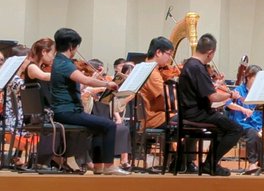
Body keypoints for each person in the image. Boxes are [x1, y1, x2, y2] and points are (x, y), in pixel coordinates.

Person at [50, 28, 128, 175]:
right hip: (67, 112)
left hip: (65, 111)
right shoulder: (65, 64)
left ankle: (98, 166)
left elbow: (80, 83)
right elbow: (85, 80)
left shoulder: (58, 61)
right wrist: (107, 84)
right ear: (71, 46)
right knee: (110, 125)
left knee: (99, 126)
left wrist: (95, 79)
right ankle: (109, 166)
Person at [178, 33, 242, 176]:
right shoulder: (198, 68)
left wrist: (217, 84)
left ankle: (210, 164)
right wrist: (231, 95)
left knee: (222, 128)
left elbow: (204, 91)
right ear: (210, 52)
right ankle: (210, 164)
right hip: (196, 114)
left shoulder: (190, 64)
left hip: (190, 111)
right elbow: (213, 97)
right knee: (236, 129)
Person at [226, 64, 264, 172]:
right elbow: (228, 104)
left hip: (257, 123)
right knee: (252, 133)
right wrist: (242, 109)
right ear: (248, 77)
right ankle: (252, 163)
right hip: (241, 123)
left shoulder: (260, 92)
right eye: (255, 79)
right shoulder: (238, 90)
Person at [138, 37, 175, 130]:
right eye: (169, 54)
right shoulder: (152, 72)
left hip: (154, 116)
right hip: (156, 118)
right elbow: (168, 96)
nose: (170, 58)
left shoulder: (144, 67)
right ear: (158, 52)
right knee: (190, 120)